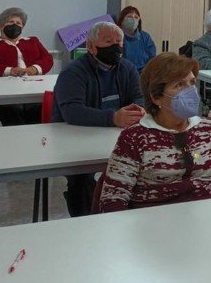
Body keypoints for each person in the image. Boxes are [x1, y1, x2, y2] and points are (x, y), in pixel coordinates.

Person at [97, 53, 211, 213]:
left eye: (192, 83)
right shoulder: (134, 139)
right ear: (156, 97)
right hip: (155, 224)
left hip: (208, 221)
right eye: (179, 85)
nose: (190, 91)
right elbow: (112, 202)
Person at [52, 21, 144, 216]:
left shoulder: (127, 68)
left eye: (118, 42)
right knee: (81, 180)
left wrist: (139, 110)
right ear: (91, 47)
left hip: (117, 135)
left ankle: (126, 216)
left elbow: (140, 96)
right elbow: (72, 112)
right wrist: (113, 118)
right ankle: (86, 221)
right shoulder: (73, 73)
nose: (115, 47)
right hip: (76, 138)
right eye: (108, 42)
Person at [0, 7, 54, 126]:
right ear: (1, 26)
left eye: (18, 23)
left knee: (38, 109)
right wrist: (9, 70)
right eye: (11, 22)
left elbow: (48, 59)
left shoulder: (33, 41)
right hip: (1, 92)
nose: (15, 25)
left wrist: (34, 69)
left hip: (32, 88)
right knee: (13, 112)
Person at [117, 5, 156, 72]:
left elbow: (152, 59)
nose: (133, 19)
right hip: (122, 73)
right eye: (129, 17)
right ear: (122, 20)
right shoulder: (116, 36)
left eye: (136, 17)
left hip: (143, 74)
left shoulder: (145, 37)